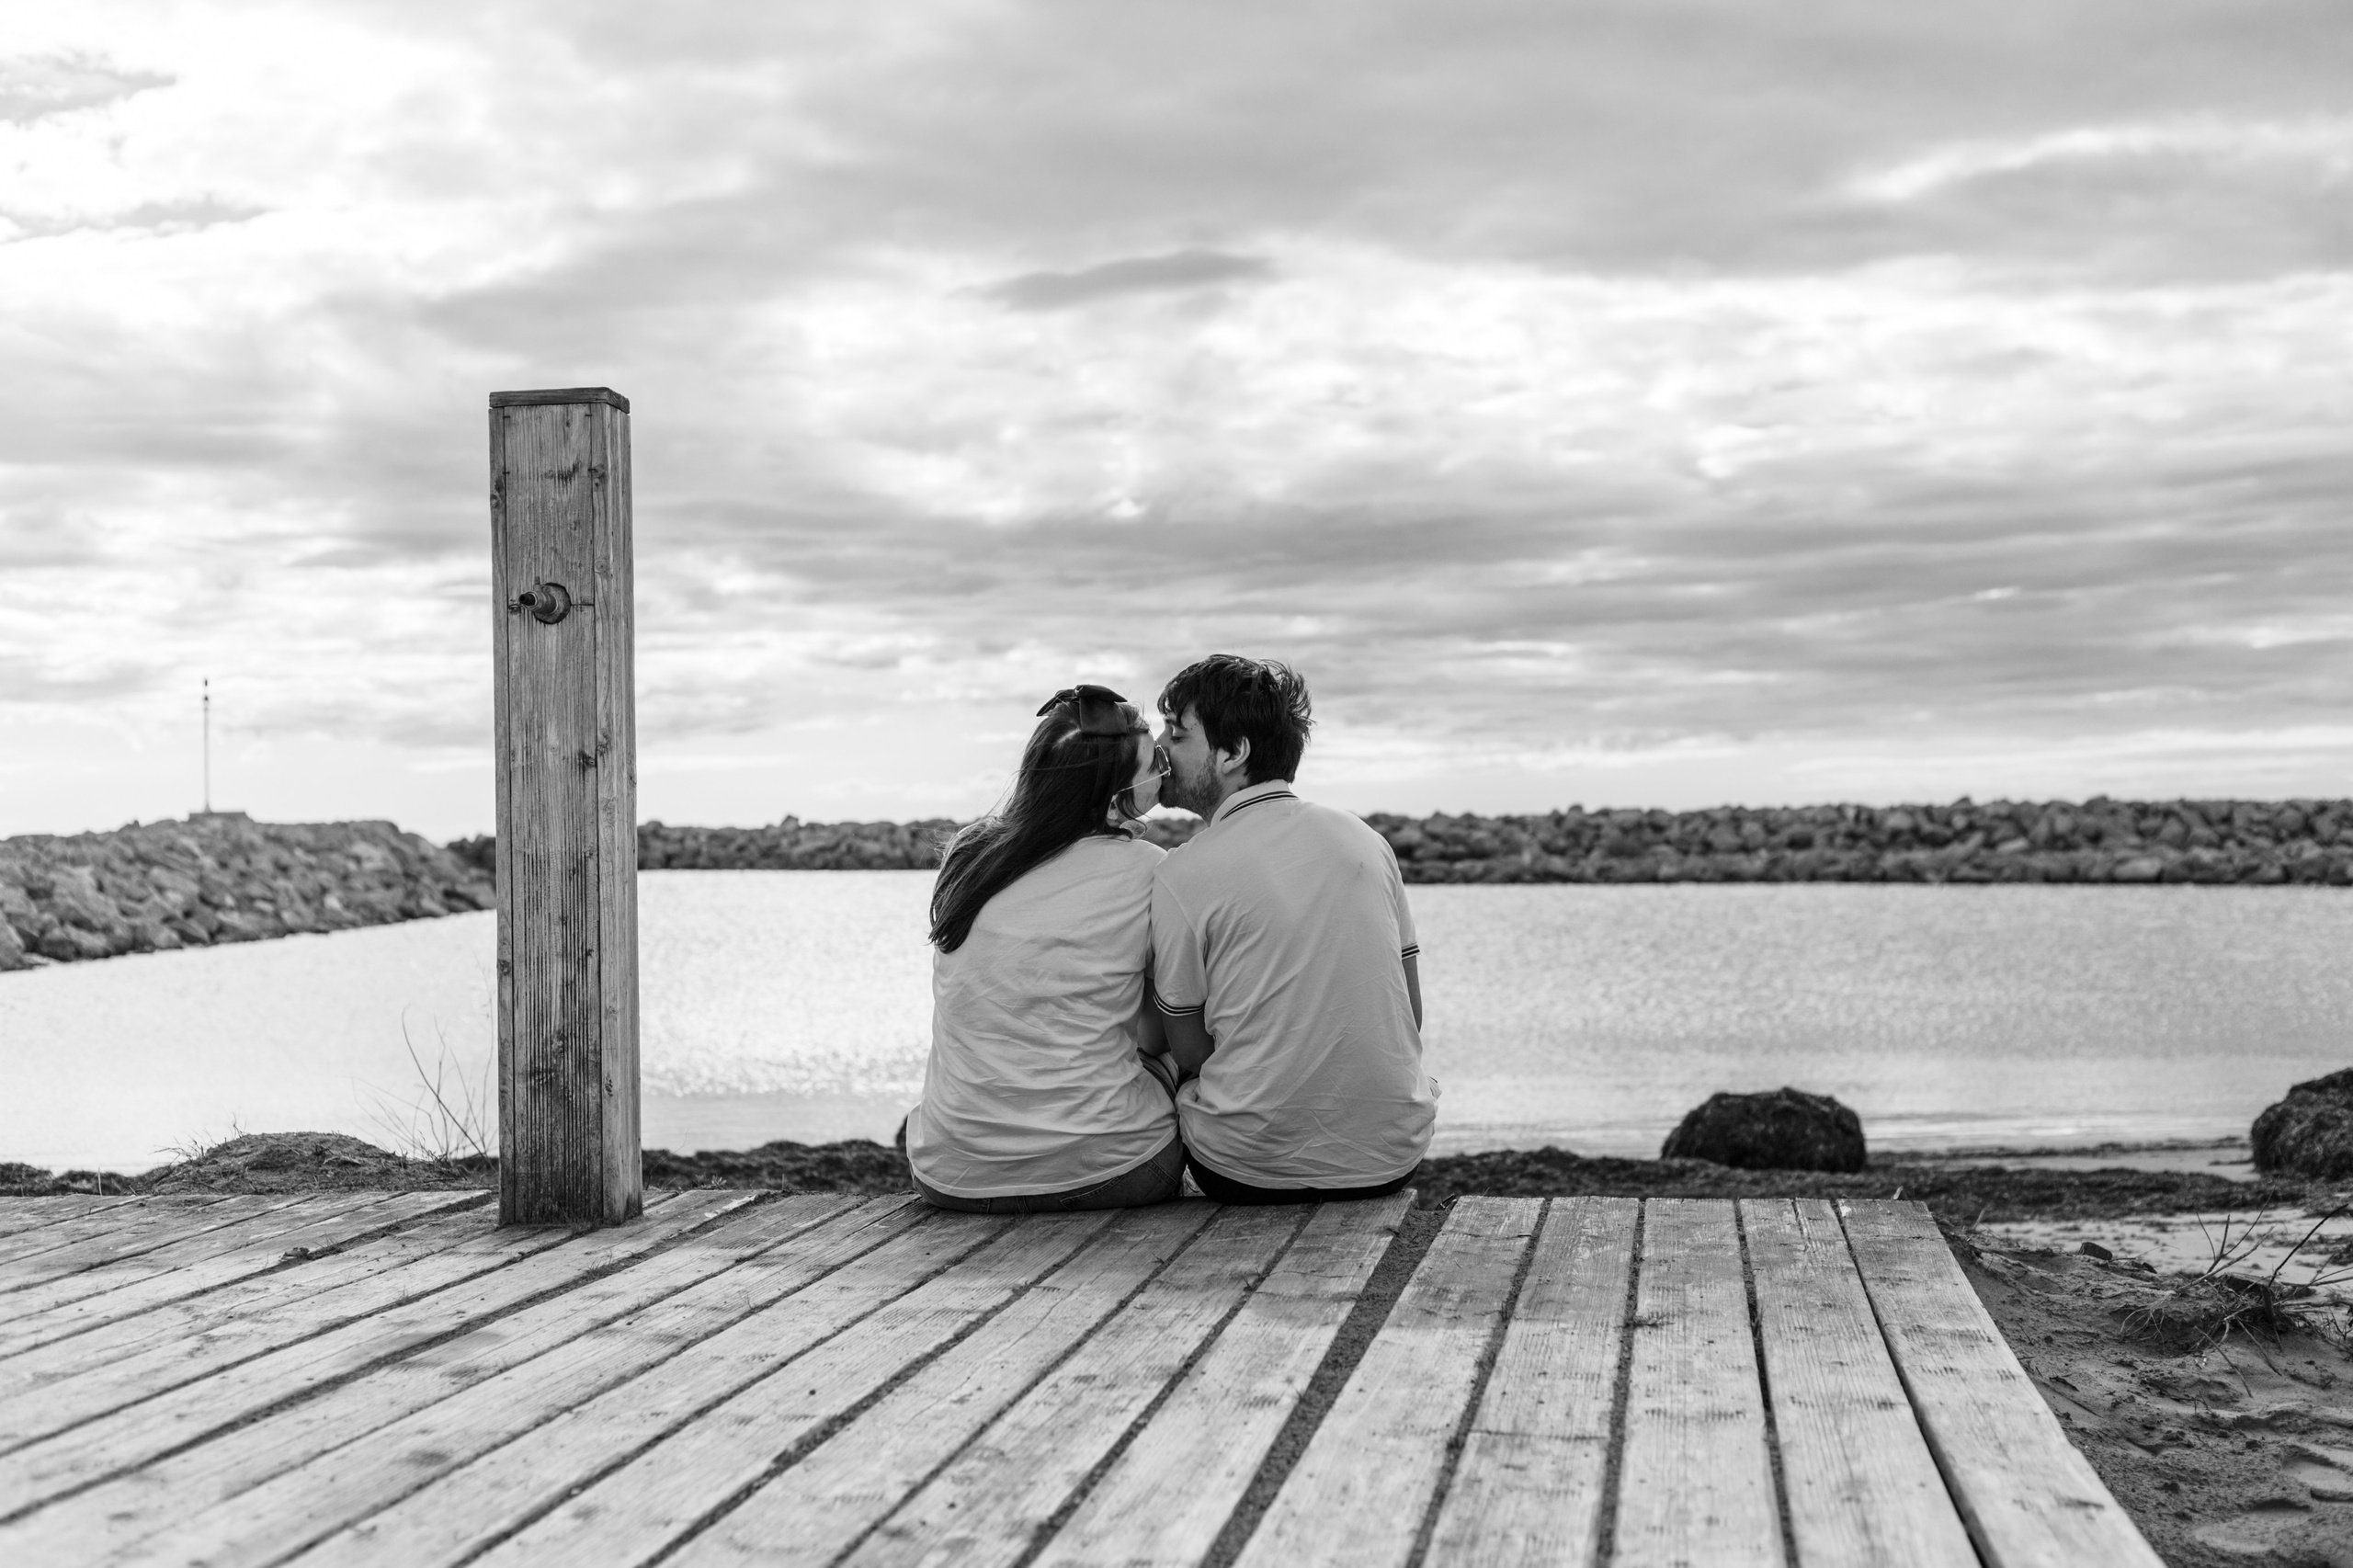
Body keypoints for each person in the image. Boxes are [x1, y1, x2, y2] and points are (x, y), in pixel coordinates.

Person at [1146, 655, 1436, 1203]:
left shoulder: (1181, 871)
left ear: (1234, 753)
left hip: (1244, 1172)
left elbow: (1189, 1052)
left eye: (1178, 736)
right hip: (1391, 1159)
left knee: (1155, 1049)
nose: (1161, 751)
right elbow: (1410, 1013)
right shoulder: (1365, 840)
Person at [904, 684, 1185, 1211]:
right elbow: (1158, 1031)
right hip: (1111, 1170)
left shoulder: (970, 855)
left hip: (952, 1173)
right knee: (1174, 1043)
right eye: (1155, 766)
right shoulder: (1148, 869)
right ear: (1112, 793)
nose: (1165, 775)